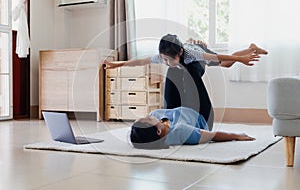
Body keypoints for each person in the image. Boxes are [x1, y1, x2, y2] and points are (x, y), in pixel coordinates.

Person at [104, 34, 268, 131]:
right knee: (174, 70)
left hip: (199, 60)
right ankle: (171, 116)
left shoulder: (192, 54)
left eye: (171, 59)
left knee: (226, 64)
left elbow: (221, 58)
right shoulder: (165, 57)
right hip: (184, 60)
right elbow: (140, 61)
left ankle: (251, 48)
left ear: (180, 52)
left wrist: (242, 59)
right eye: (165, 60)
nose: (168, 62)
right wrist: (116, 64)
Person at [130, 106, 255, 149]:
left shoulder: (156, 117)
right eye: (146, 119)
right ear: (158, 131)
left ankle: (176, 58)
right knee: (190, 69)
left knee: (174, 68)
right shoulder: (182, 131)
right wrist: (236, 136)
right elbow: (212, 136)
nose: (147, 116)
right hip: (200, 114)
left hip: (178, 110)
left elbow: (140, 135)